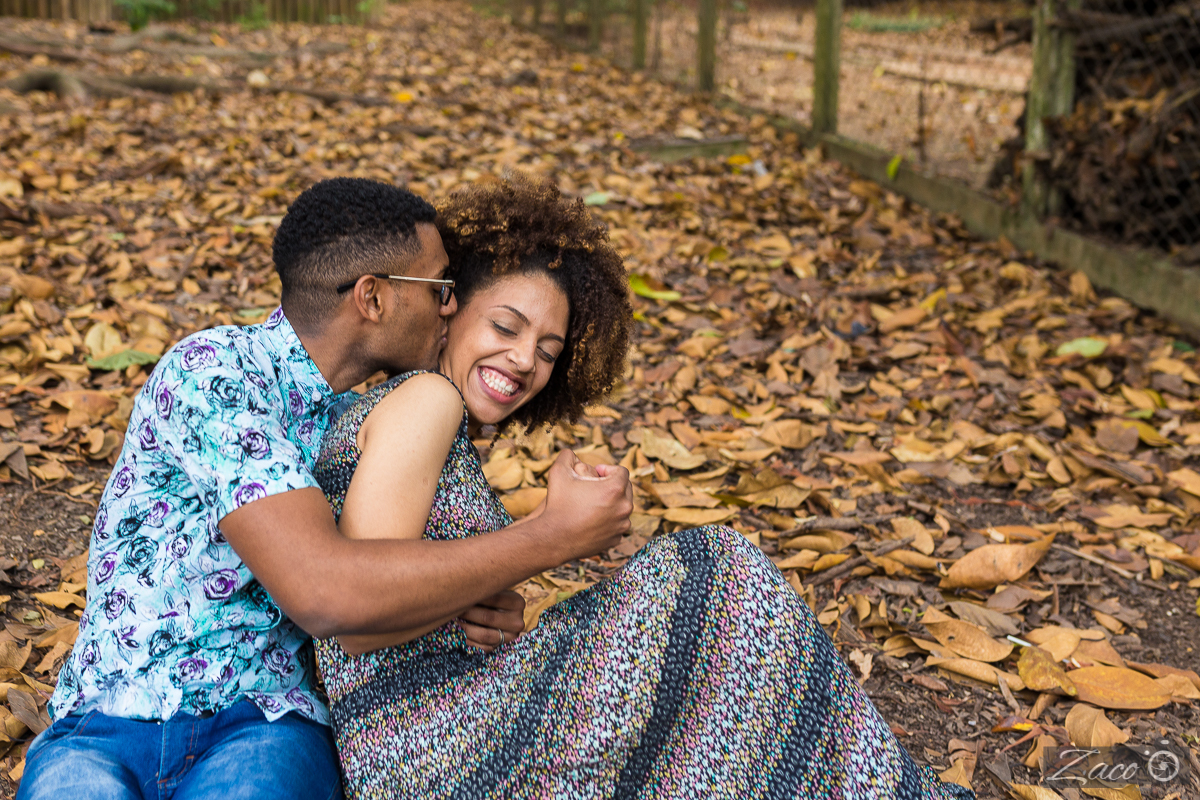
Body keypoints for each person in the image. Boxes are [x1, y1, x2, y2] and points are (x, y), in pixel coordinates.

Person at [313, 173, 975, 800]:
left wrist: (473, 606)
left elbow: (400, 586)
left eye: (548, 351)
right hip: (430, 752)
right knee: (716, 573)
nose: (524, 359)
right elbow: (360, 617)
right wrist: (550, 536)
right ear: (450, 309)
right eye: (506, 327)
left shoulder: (426, 419)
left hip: (430, 742)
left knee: (708, 664)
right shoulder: (426, 399)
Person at [18, 178, 633, 800]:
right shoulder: (216, 372)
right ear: (373, 297)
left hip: (265, 723)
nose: (451, 308)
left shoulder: (365, 414)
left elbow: (378, 582)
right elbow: (328, 595)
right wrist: (547, 538)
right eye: (441, 289)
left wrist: (466, 600)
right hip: (109, 718)